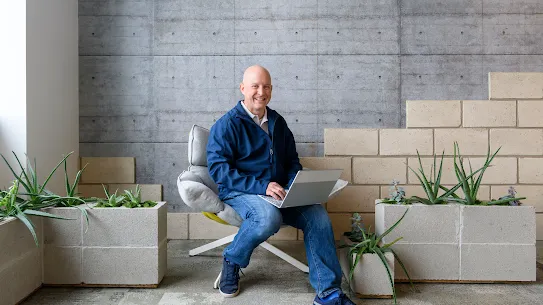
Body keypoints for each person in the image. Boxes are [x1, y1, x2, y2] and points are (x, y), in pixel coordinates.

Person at [206, 65, 356, 305]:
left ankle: (327, 292)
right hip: (240, 190)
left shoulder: (278, 122)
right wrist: (262, 186)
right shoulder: (226, 125)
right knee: (268, 218)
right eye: (254, 86)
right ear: (243, 88)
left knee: (317, 215)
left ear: (271, 90)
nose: (260, 91)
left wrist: (295, 184)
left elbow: (292, 161)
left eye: (266, 86)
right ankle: (232, 259)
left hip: (279, 191)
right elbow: (219, 171)